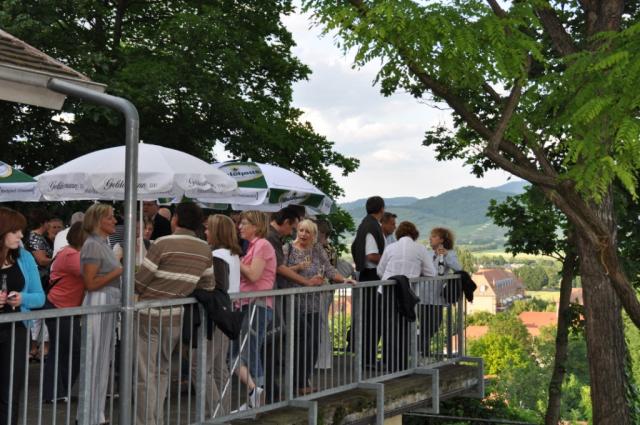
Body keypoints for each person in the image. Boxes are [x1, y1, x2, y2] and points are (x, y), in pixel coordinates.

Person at [135, 202, 215, 425]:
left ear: (176, 219)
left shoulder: (162, 243)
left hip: (149, 315)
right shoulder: (205, 249)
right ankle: (157, 419)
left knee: (145, 374)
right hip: (176, 318)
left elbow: (140, 282)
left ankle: (146, 421)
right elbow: (208, 285)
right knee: (162, 371)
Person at [283, 219, 354, 394]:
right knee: (299, 342)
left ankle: (304, 381)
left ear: (314, 235)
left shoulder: (317, 249)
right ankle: (295, 383)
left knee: (314, 342)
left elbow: (329, 269)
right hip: (293, 302)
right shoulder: (288, 248)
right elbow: (280, 270)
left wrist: (343, 279)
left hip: (313, 302)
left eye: (307, 231)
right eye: (301, 230)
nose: (303, 234)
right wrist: (299, 267)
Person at [78, 203, 123, 425]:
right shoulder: (93, 245)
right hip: (99, 302)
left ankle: (96, 415)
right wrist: (119, 269)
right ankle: (89, 416)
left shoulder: (102, 244)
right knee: (95, 359)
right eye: (110, 217)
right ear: (98, 221)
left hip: (107, 302)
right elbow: (90, 283)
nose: (115, 221)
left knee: (102, 360)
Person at [0, 207, 45, 425]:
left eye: (21, 230)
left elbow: (40, 297)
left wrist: (22, 298)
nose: (20, 235)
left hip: (16, 331)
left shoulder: (25, 257)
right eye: (15, 231)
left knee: (10, 393)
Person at [197, 214, 243, 417]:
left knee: (203, 367)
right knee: (218, 366)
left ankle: (216, 413)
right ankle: (223, 413)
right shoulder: (232, 254)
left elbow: (219, 287)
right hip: (228, 313)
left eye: (208, 229)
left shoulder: (217, 256)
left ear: (217, 232)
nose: (205, 232)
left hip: (217, 316)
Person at [232, 211, 276, 409]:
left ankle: (257, 398)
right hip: (247, 304)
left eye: (244, 223)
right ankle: (254, 395)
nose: (240, 227)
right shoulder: (252, 246)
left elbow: (254, 275)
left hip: (257, 305)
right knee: (236, 356)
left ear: (256, 226)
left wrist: (235, 260)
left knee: (248, 354)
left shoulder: (262, 245)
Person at [377, 221, 435, 370]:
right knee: (404, 328)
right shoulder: (420, 249)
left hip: (386, 291)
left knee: (388, 327)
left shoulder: (390, 247)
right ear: (414, 234)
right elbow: (431, 273)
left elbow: (380, 270)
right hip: (407, 294)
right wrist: (416, 273)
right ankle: (401, 363)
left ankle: (388, 362)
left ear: (399, 233)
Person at [43, 222, 86, 404]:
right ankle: (56, 392)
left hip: (65, 308)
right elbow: (91, 273)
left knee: (63, 350)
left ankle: (58, 392)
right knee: (68, 350)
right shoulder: (70, 255)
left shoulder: (70, 253)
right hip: (60, 307)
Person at [350, 196, 386, 367]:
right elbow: (371, 255)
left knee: (370, 319)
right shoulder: (372, 226)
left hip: (367, 274)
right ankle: (368, 359)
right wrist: (387, 261)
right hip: (371, 275)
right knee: (372, 320)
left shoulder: (365, 224)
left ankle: (367, 358)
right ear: (382, 209)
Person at [421, 227, 461, 357]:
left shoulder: (450, 254)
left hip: (436, 296)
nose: (430, 238)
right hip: (421, 294)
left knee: (434, 324)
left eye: (433, 236)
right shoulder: (426, 253)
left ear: (442, 240)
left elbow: (458, 268)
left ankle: (419, 347)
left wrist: (446, 255)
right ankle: (423, 352)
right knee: (424, 325)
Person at [26, 209, 52, 361]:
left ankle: (35, 348)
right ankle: (36, 348)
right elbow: (41, 260)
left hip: (40, 280)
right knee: (38, 315)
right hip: (40, 281)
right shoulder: (35, 238)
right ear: (44, 223)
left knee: (38, 316)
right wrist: (56, 258)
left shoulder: (38, 237)